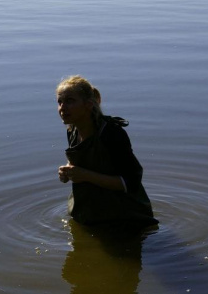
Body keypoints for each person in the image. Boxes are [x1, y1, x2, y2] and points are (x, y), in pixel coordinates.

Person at [56, 75, 158, 228]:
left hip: (126, 218)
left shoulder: (111, 134)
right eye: (60, 102)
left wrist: (84, 175)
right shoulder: (73, 130)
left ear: (89, 104)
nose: (62, 108)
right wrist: (68, 171)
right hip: (92, 215)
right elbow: (83, 160)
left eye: (70, 101)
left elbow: (131, 182)